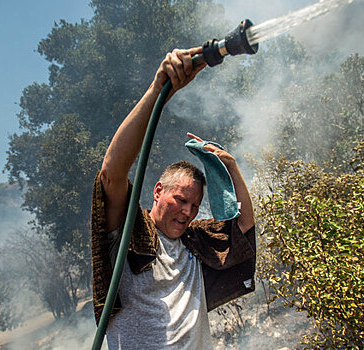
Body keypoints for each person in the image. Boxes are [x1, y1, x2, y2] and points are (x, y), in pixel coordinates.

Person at [91, 46, 256, 349]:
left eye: (194, 205)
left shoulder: (196, 244)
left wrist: (230, 166)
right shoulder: (128, 235)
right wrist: (158, 90)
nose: (188, 211)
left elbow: (244, 228)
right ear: (157, 191)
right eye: (180, 199)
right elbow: (111, 175)